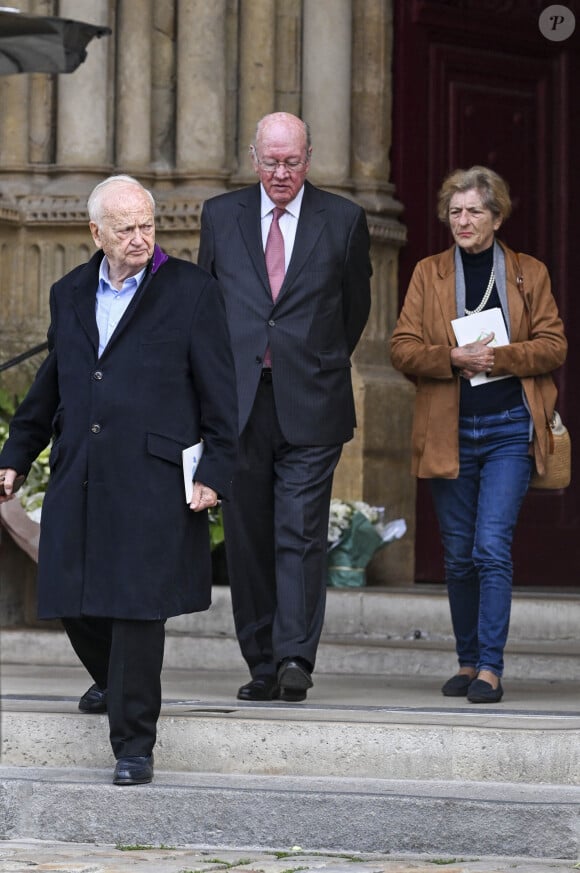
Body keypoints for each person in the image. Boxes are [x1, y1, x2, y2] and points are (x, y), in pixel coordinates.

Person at [0, 175, 238, 784]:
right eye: (126, 227)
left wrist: (215, 470)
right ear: (95, 233)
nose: (139, 237)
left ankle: (134, 745)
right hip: (82, 468)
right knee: (67, 588)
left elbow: (220, 392)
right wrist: (16, 453)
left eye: (147, 225)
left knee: (135, 608)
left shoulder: (191, 291)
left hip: (154, 475)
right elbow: (53, 381)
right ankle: (114, 681)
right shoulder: (70, 292)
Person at [198, 112, 372, 702]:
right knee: (247, 536)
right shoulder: (220, 216)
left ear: (310, 157)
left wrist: (313, 361)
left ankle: (295, 656)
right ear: (253, 158)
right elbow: (206, 305)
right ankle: (261, 662)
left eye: (291, 162)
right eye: (270, 161)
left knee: (298, 530)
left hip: (311, 399)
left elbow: (354, 309)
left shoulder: (344, 219)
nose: (280, 173)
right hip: (238, 403)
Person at [390, 166, 567, 703]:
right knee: (459, 555)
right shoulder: (428, 273)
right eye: (455, 212)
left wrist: (500, 356)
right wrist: (452, 356)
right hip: (448, 428)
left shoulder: (527, 272)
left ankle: (491, 667)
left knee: (491, 546)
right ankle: (467, 662)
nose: (462, 221)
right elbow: (401, 347)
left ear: (496, 216)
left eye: (474, 212)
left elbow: (554, 345)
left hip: (510, 426)